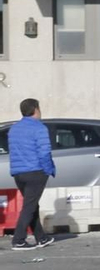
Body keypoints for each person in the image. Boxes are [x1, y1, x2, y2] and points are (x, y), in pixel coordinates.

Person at [9, 99, 54, 251]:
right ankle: (18, 239)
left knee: (32, 204)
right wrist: (49, 169)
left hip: (19, 173)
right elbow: (44, 152)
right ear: (36, 109)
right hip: (35, 171)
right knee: (29, 206)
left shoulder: (14, 129)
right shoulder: (39, 128)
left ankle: (41, 237)